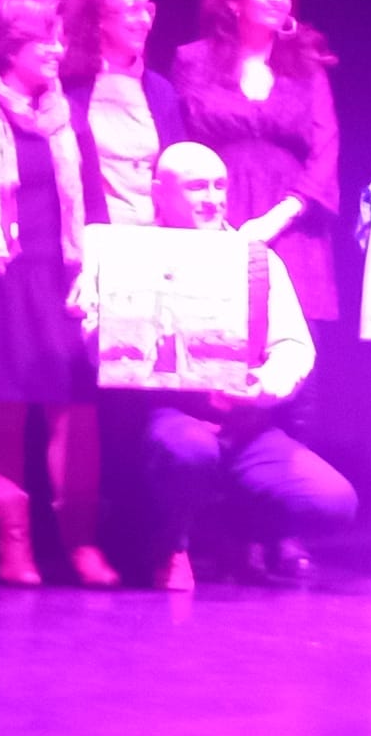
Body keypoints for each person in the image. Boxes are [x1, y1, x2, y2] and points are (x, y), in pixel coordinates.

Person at [171, 0, 340, 579]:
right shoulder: (192, 62)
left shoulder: (307, 69)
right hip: (218, 222)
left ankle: (282, 530)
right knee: (219, 371)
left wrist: (277, 218)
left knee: (294, 385)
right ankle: (227, 529)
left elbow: (325, 153)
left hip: (291, 229)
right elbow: (180, 147)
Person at [136, 142, 357, 590]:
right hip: (171, 419)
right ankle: (169, 546)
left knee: (333, 502)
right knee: (188, 449)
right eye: (197, 187)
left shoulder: (256, 259)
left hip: (241, 424)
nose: (213, 199)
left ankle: (234, 532)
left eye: (220, 186)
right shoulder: (132, 255)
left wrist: (263, 386)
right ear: (159, 192)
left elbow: (293, 346)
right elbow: (99, 346)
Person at [0, 0, 118, 588]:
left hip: (61, 277)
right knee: (0, 404)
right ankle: (13, 544)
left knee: (75, 411)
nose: (57, 49)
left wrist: (95, 271)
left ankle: (81, 542)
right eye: (44, 39)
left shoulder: (69, 115)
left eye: (60, 38)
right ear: (9, 45)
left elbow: (94, 203)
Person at [60, 0, 186, 228]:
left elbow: (180, 168)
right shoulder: (70, 90)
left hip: (157, 235)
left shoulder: (161, 92)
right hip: (95, 234)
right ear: (100, 19)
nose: (145, 21)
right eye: (133, 9)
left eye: (148, 10)